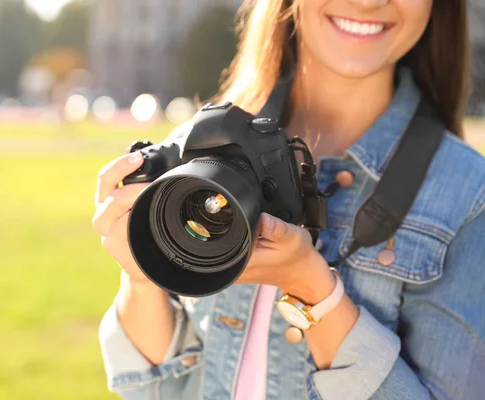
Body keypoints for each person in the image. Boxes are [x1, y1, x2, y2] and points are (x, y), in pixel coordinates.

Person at [93, 0, 485, 399]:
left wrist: (311, 288)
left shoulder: (467, 194)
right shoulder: (192, 147)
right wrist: (142, 278)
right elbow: (161, 392)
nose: (368, 2)